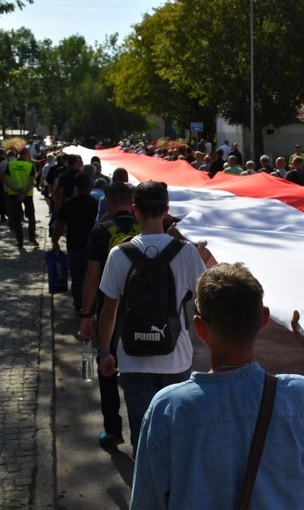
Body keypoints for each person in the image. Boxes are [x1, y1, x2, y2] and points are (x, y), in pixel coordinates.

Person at [130, 262, 304, 509]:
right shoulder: (303, 398)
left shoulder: (169, 409)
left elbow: (145, 502)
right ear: (264, 319)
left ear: (200, 328)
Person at [97, 181, 207, 455]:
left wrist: (104, 352)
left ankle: (146, 490)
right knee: (176, 435)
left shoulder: (118, 255)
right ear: (166, 210)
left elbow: (109, 310)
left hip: (133, 360)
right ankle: (175, 491)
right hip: (176, 360)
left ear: (135, 210)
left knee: (143, 436)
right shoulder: (187, 252)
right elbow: (206, 300)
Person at [79, 183, 142, 449]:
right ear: (132, 204)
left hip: (110, 312)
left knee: (107, 366)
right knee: (140, 371)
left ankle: (113, 430)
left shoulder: (101, 232)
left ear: (108, 205)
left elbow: (92, 278)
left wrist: (86, 314)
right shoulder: (146, 228)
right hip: (142, 310)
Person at [52, 172, 99, 313]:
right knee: (91, 276)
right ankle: (90, 304)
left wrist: (55, 241)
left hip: (74, 244)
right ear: (90, 186)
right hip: (92, 246)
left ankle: (79, 304)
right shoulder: (96, 204)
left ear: (76, 186)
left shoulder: (68, 204)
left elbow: (59, 225)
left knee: (77, 276)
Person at [3, 148, 38, 248]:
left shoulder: (10, 165)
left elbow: (6, 180)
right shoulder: (30, 166)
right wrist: (23, 193)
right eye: (29, 155)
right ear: (26, 155)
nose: (29, 157)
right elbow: (31, 182)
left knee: (16, 219)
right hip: (27, 195)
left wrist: (16, 191)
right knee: (31, 217)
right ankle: (32, 238)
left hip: (14, 195)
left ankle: (20, 241)